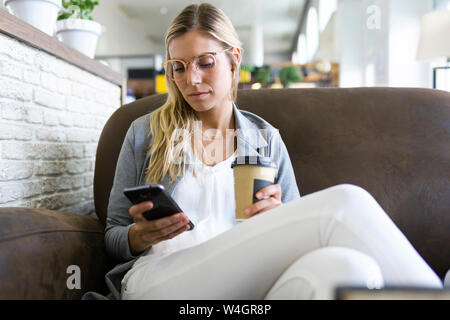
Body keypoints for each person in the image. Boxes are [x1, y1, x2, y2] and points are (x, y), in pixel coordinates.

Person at [83, 3, 443, 300]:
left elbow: (297, 227)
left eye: (205, 62)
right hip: (161, 281)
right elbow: (113, 233)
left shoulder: (266, 139)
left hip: (247, 288)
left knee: (351, 269)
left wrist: (278, 216)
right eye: (178, 67)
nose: (191, 79)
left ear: (233, 58)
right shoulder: (144, 133)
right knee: (344, 204)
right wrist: (137, 236)